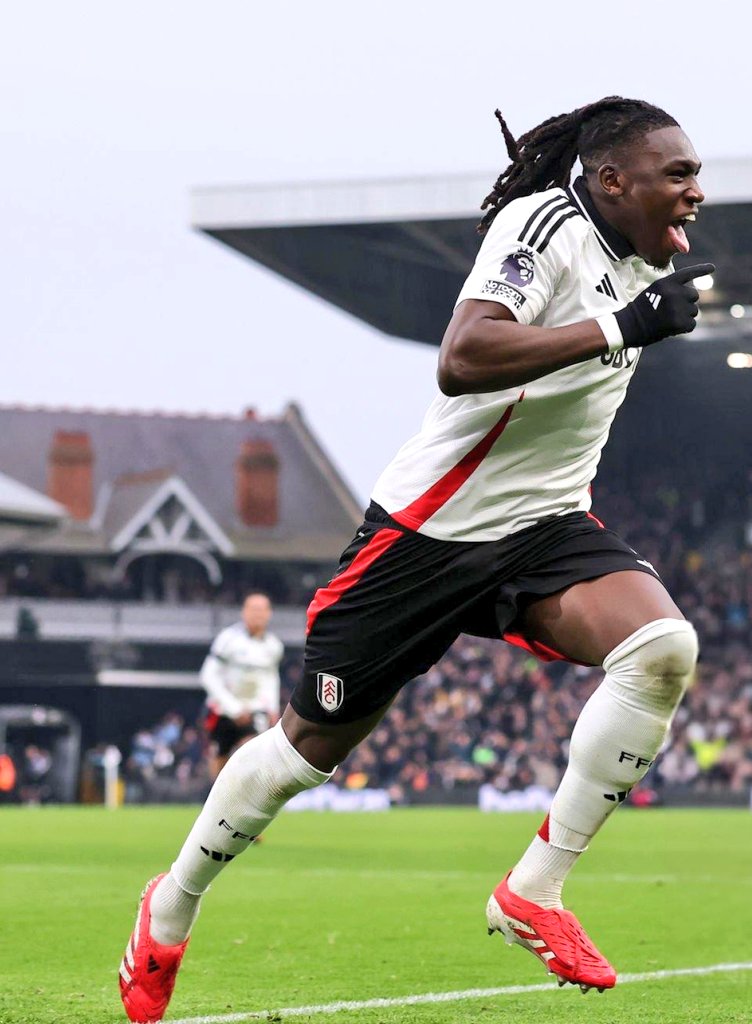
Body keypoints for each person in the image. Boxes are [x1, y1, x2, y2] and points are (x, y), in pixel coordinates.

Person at [119, 95, 712, 1022]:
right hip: (426, 536)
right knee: (301, 755)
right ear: (609, 180)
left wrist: (634, 311)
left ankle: (533, 892)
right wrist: (622, 327)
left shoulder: (636, 258)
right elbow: (464, 356)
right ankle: (171, 905)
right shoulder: (541, 224)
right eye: (676, 174)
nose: (694, 193)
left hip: (545, 526)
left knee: (663, 648)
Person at [199, 593, 284, 780]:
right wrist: (234, 708)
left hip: (255, 710)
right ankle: (219, 803)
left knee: (253, 753)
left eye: (262, 610)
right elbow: (208, 675)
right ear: (243, 612)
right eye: (253, 609)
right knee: (220, 757)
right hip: (222, 709)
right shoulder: (228, 639)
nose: (257, 615)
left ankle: (245, 801)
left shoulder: (273, 646)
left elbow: (271, 679)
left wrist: (272, 708)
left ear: (269, 614)